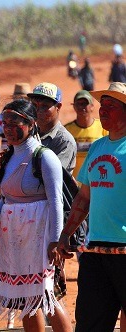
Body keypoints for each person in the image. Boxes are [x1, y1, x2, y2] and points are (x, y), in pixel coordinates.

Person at [0, 99, 72, 332]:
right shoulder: (8, 157)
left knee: (49, 298)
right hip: (14, 238)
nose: (8, 128)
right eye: (4, 123)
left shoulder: (44, 157)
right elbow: (5, 195)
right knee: (25, 300)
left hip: (41, 238)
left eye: (14, 122)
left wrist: (55, 242)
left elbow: (56, 201)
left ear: (30, 123)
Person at [57, 82, 126, 331]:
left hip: (125, 248)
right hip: (95, 250)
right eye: (102, 106)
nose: (103, 111)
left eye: (112, 106)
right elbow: (84, 197)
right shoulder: (97, 147)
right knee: (90, 323)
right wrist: (66, 235)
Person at [28, 82, 77, 173]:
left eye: (45, 106)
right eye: (34, 105)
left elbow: (51, 175)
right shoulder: (29, 133)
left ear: (58, 107)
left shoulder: (64, 141)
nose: (38, 111)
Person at [0, 82, 31, 182]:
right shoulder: (3, 116)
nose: (21, 101)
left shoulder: (33, 117)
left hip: (29, 164)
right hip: (8, 163)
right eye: (18, 98)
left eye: (24, 99)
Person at [64, 90, 107, 178]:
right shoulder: (66, 130)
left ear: (92, 106)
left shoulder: (103, 128)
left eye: (84, 103)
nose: (81, 107)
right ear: (74, 106)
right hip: (74, 183)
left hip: (97, 181)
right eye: (78, 104)